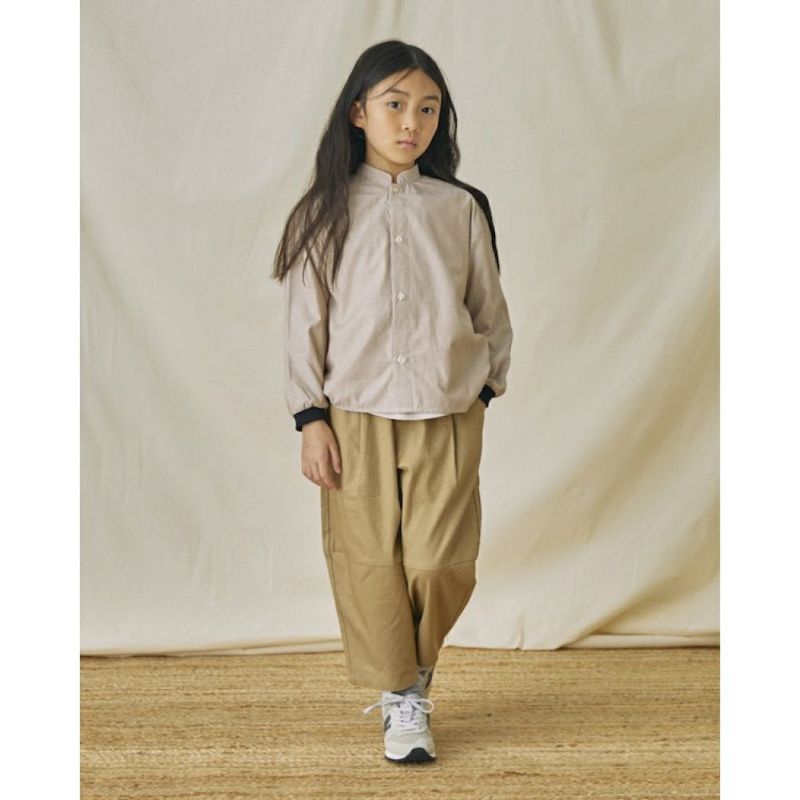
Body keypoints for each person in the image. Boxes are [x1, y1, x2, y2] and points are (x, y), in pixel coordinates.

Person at [273, 39, 513, 764]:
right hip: (355, 413)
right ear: (358, 112)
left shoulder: (461, 208)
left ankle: (412, 669)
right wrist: (310, 418)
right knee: (370, 561)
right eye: (396, 104)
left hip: (446, 411)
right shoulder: (323, 211)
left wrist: (483, 389)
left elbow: (489, 309)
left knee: (441, 562)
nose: (413, 122)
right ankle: (404, 698)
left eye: (429, 108)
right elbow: (304, 323)